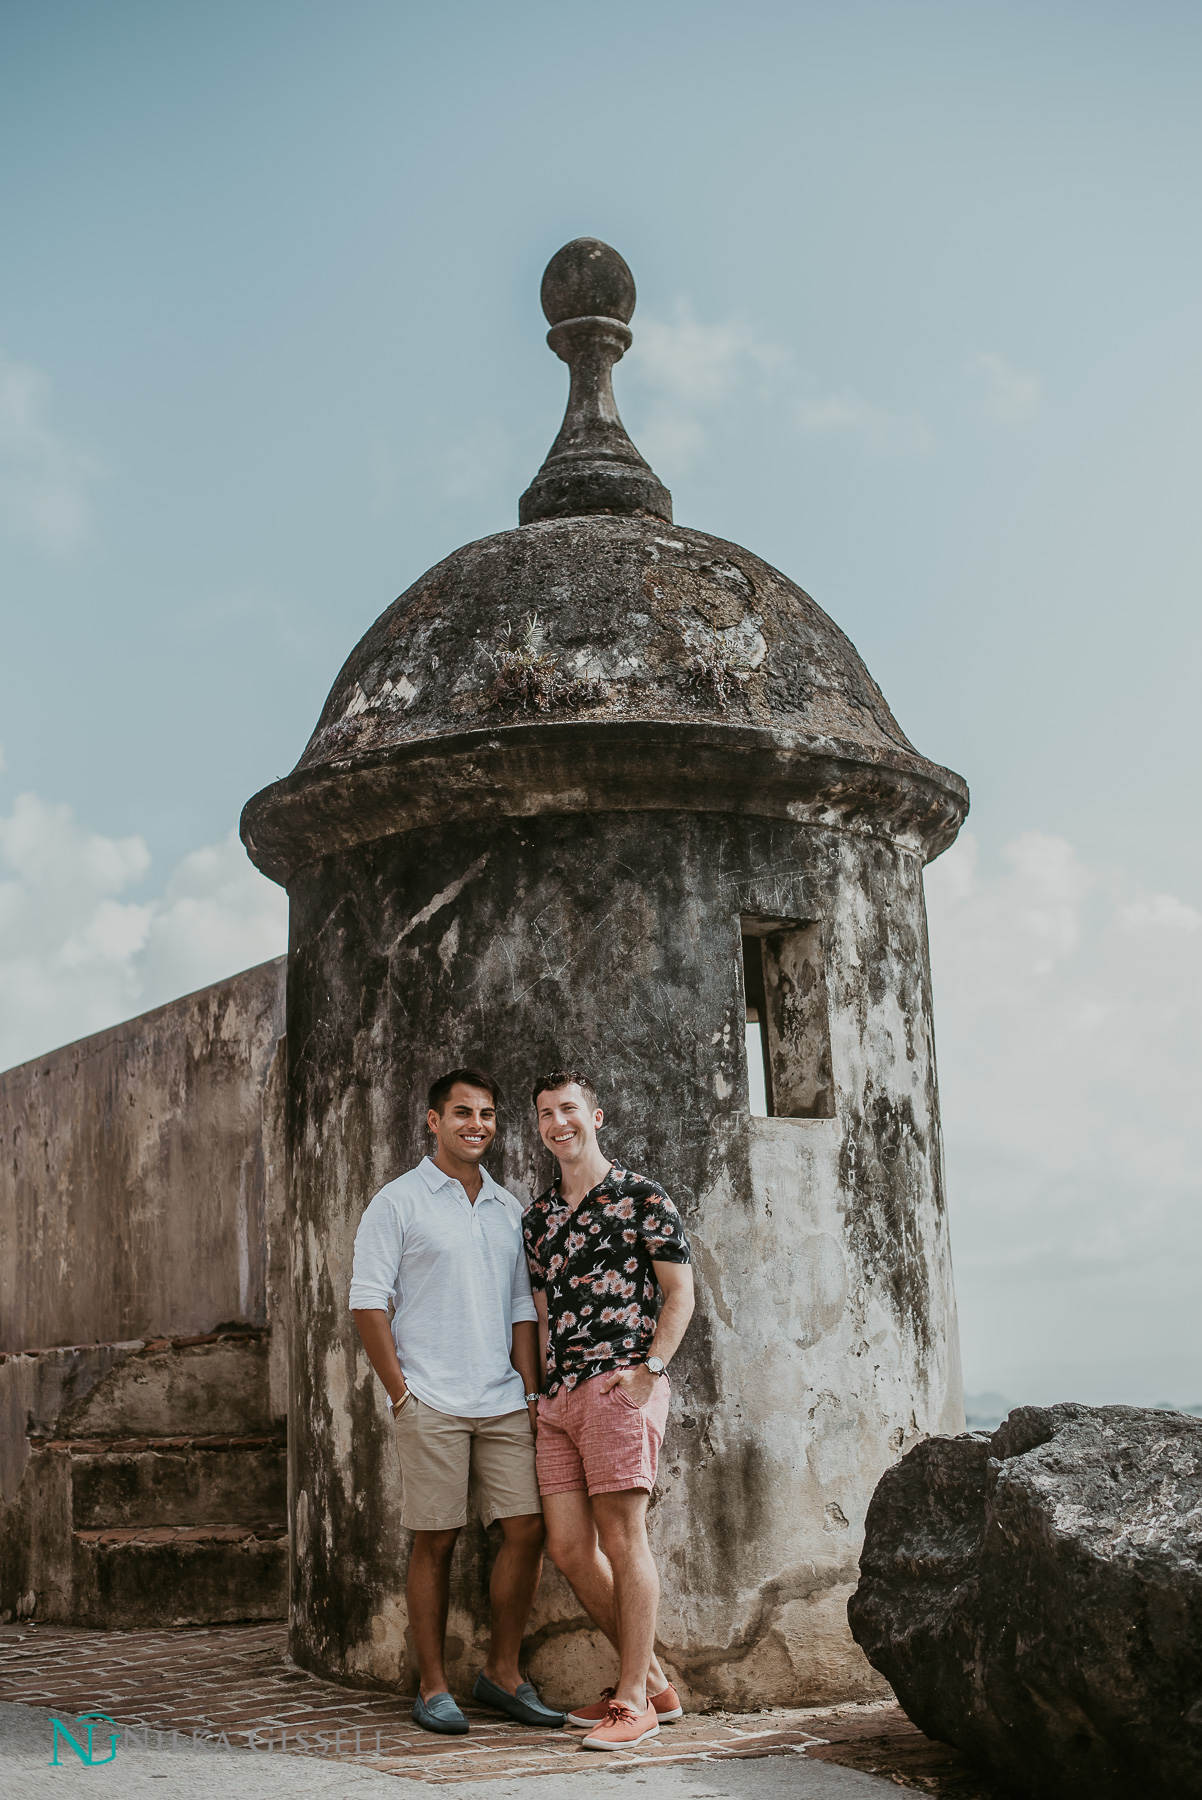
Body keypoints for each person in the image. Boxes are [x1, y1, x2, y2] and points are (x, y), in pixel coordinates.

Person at [349, 1068, 565, 1737]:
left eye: (489, 1114)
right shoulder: (398, 1202)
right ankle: (433, 1685)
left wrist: (530, 1390)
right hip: (431, 1398)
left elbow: (518, 1311)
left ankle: (502, 1674)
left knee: (528, 1528)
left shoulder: (508, 1207)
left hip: (501, 1395)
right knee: (435, 1540)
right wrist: (402, 1394)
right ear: (432, 1120)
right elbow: (367, 1302)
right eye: (463, 1113)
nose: (478, 1125)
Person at [523, 1070, 695, 1751]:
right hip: (559, 1398)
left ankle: (633, 1702)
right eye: (544, 1114)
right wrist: (538, 1392)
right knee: (568, 1548)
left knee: (625, 1541)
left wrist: (650, 1371)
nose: (557, 1123)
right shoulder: (538, 1219)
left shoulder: (640, 1197)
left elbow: (679, 1291)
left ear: (594, 1116)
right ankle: (653, 1682)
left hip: (619, 1386)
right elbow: (540, 1312)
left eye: (568, 1109)